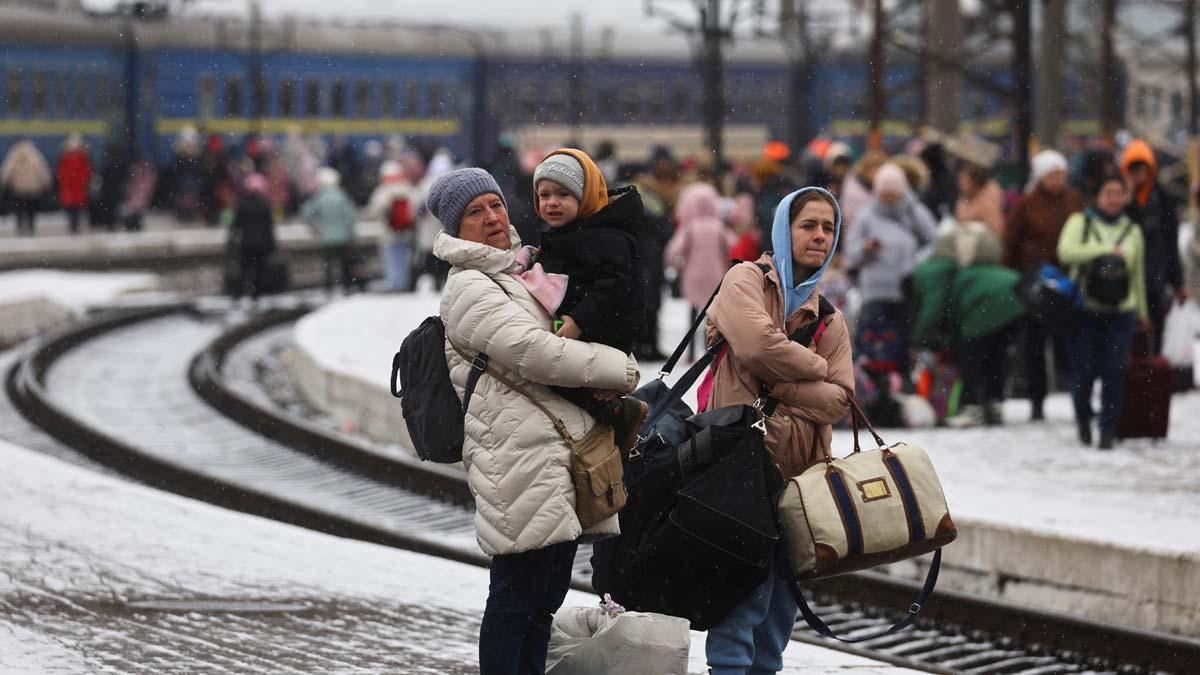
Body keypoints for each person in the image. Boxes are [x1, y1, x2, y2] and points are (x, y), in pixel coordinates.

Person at [429, 167, 638, 675]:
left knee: (542, 597)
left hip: (541, 453)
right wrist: (622, 369)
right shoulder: (471, 288)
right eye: (475, 213)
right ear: (457, 229)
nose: (492, 218)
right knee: (517, 596)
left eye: (495, 205)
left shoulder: (515, 270)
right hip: (513, 456)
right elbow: (533, 351)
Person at [703, 187, 854, 674]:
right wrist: (812, 368)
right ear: (784, 230)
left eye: (828, 228)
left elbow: (840, 399)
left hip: (799, 479)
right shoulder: (744, 280)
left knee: (780, 606)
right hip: (736, 465)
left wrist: (782, 385)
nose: (819, 236)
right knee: (741, 592)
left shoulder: (828, 317)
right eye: (808, 225)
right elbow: (755, 345)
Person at [525, 149, 649, 453]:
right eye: (544, 195)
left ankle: (622, 419)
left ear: (586, 196)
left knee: (588, 402)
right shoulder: (565, 234)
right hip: (581, 339)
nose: (552, 202)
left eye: (563, 194)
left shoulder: (605, 237)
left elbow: (615, 289)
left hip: (603, 336)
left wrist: (580, 321)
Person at [1057, 175, 1149, 450]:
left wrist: (1143, 313)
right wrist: (1106, 250)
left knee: (1114, 372)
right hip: (1085, 310)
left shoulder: (1132, 229)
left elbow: (1137, 275)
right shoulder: (1080, 222)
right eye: (1108, 192)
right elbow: (1066, 252)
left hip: (1121, 312)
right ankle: (1083, 419)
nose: (1113, 198)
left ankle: (1107, 431)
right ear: (1097, 195)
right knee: (1083, 372)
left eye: (1119, 193)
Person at [911, 220, 1025, 427]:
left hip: (986, 308)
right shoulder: (968, 270)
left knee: (971, 358)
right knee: (996, 357)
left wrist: (921, 339)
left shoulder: (932, 273)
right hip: (1015, 298)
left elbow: (939, 311)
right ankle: (995, 404)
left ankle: (972, 406)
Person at [1004, 149, 1086, 421]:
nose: (1058, 180)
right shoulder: (1026, 203)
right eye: (1052, 175)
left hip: (1066, 286)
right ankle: (1037, 402)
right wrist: (1016, 276)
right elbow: (1010, 242)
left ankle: (1078, 398)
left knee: (1069, 347)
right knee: (1034, 349)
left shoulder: (1074, 201)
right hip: (1036, 286)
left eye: (1061, 174)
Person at [843, 162, 939, 382]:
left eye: (893, 195)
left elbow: (935, 242)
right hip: (874, 292)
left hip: (905, 290)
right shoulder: (866, 215)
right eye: (884, 195)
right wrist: (865, 249)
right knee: (871, 345)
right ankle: (875, 387)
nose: (888, 200)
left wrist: (915, 262)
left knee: (902, 342)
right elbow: (852, 251)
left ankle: (901, 386)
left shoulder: (914, 211)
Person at [1120, 139, 1186, 349]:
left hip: (1155, 277)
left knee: (1155, 334)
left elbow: (1170, 240)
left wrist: (1176, 282)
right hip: (1124, 281)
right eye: (1133, 169)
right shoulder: (1117, 197)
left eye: (1142, 169)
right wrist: (1127, 200)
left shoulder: (1162, 198)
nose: (1138, 175)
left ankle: (1152, 378)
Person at [664, 182, 737, 361]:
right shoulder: (718, 226)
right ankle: (708, 349)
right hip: (715, 274)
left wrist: (676, 265)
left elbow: (673, 251)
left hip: (693, 276)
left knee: (693, 313)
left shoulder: (690, 227)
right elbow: (733, 245)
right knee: (711, 314)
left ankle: (689, 352)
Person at [301, 167, 362, 294]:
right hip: (344, 237)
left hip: (326, 238)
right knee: (345, 265)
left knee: (328, 266)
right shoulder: (342, 195)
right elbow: (350, 216)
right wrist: (350, 232)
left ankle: (328, 288)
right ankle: (347, 287)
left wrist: (315, 227)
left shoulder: (319, 197)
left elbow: (306, 213)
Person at [365, 161, 420, 292]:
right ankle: (404, 283)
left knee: (391, 259)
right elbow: (417, 208)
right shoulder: (408, 187)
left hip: (388, 232)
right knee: (404, 259)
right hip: (406, 231)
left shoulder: (382, 190)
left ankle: (395, 285)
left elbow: (373, 210)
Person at [229, 173, 277, 302]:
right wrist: (272, 244)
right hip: (261, 243)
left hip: (246, 242)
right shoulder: (265, 204)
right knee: (259, 268)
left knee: (246, 267)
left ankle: (245, 290)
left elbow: (236, 224)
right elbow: (269, 225)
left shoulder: (242, 204)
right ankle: (257, 293)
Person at [0, 138, 52, 236]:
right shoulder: (34, 154)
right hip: (33, 188)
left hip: (18, 188)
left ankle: (20, 227)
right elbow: (42, 169)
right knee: (31, 209)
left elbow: (7, 170)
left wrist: (4, 182)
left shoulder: (14, 154)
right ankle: (31, 227)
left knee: (19, 209)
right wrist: (46, 183)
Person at [954, 162, 1005, 239]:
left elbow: (996, 233)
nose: (960, 182)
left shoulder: (987, 203)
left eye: (965, 179)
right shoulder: (964, 198)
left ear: (975, 181)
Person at [56, 133, 92, 234]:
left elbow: (61, 172)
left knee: (73, 208)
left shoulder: (67, 156)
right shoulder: (82, 156)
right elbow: (87, 171)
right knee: (75, 208)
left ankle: (73, 225)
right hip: (75, 187)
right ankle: (74, 226)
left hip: (73, 187)